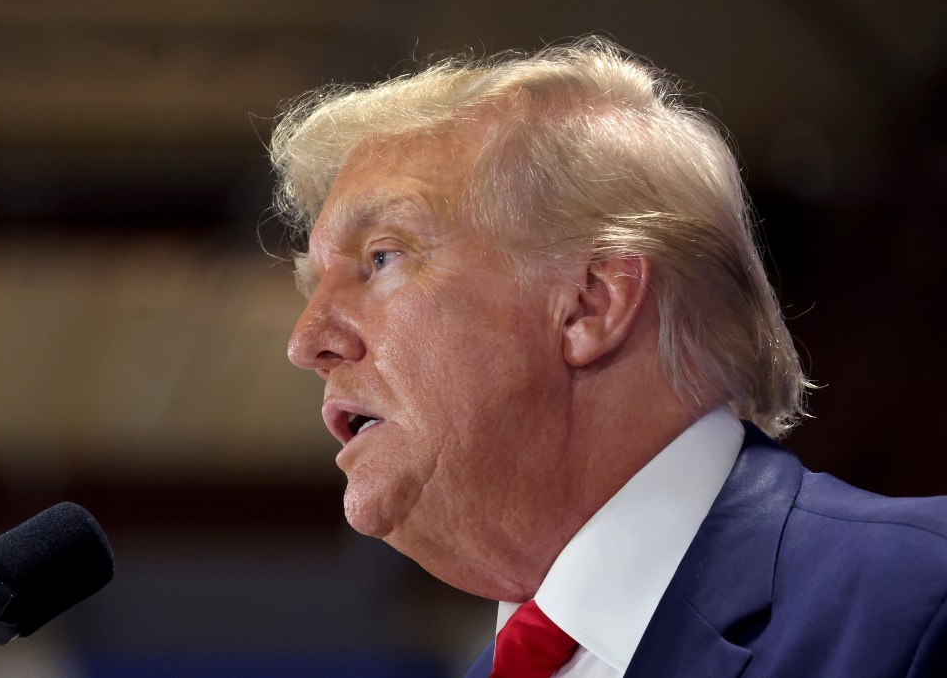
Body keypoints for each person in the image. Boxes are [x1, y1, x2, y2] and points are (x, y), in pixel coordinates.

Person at [272, 36, 947, 677]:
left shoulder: (922, 599)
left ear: (592, 302)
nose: (307, 342)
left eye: (381, 258)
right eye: (313, 284)